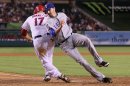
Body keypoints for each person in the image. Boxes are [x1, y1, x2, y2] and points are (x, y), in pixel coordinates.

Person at [45, 2, 112, 83]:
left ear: (53, 8)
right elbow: (52, 34)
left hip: (72, 36)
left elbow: (68, 20)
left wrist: (65, 25)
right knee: (83, 62)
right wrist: (60, 26)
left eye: (49, 9)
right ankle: (102, 78)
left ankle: (99, 61)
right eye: (47, 10)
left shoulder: (62, 15)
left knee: (87, 40)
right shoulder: (48, 22)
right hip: (65, 45)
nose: (48, 11)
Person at [21, 4, 70, 83]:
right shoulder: (48, 15)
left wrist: (31, 39)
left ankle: (59, 74)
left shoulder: (30, 18)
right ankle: (47, 74)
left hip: (38, 39)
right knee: (49, 56)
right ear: (43, 11)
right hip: (50, 38)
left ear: (35, 11)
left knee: (44, 60)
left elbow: (23, 33)